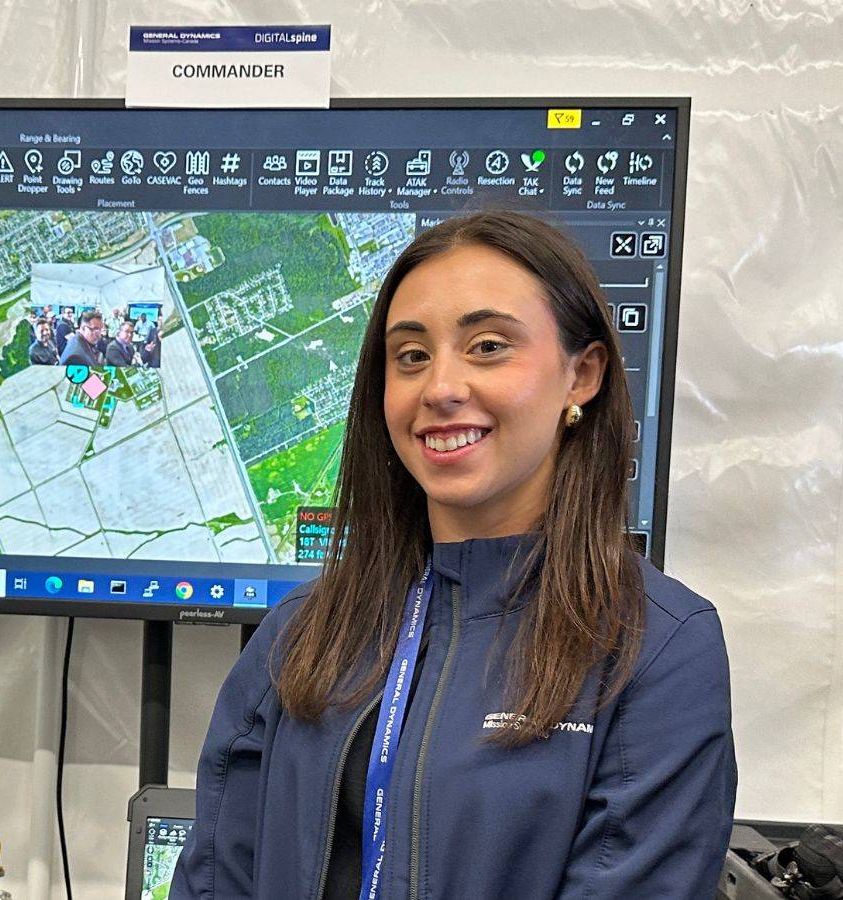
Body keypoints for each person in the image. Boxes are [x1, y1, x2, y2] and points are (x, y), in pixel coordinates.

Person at [171, 210, 735, 900]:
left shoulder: (655, 648)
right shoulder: (302, 631)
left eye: (488, 346)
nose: (439, 388)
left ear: (581, 375)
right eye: (411, 355)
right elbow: (215, 878)